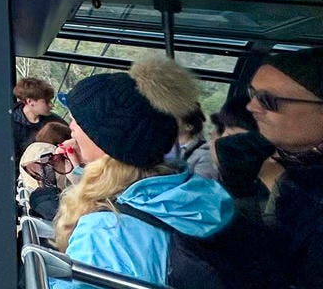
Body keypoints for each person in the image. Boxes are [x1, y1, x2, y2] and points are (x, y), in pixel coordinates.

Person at [50, 57, 273, 289]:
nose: (71, 126)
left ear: (106, 141)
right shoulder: (197, 198)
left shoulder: (105, 230)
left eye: (78, 120)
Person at [215, 47, 323, 289]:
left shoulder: (307, 189)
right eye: (252, 93)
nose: (251, 107)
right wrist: (239, 189)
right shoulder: (265, 153)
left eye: (268, 100)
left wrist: (282, 185)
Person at [18, 120, 72, 220]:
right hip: (54, 209)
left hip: (38, 207)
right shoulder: (51, 156)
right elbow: (61, 185)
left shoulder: (29, 151)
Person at [11, 77, 65, 160]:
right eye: (46, 101)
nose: (51, 105)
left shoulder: (56, 122)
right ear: (30, 102)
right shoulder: (10, 125)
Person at [170, 103, 216, 179]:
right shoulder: (164, 147)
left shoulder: (204, 154)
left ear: (188, 127)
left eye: (174, 119)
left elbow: (201, 183)